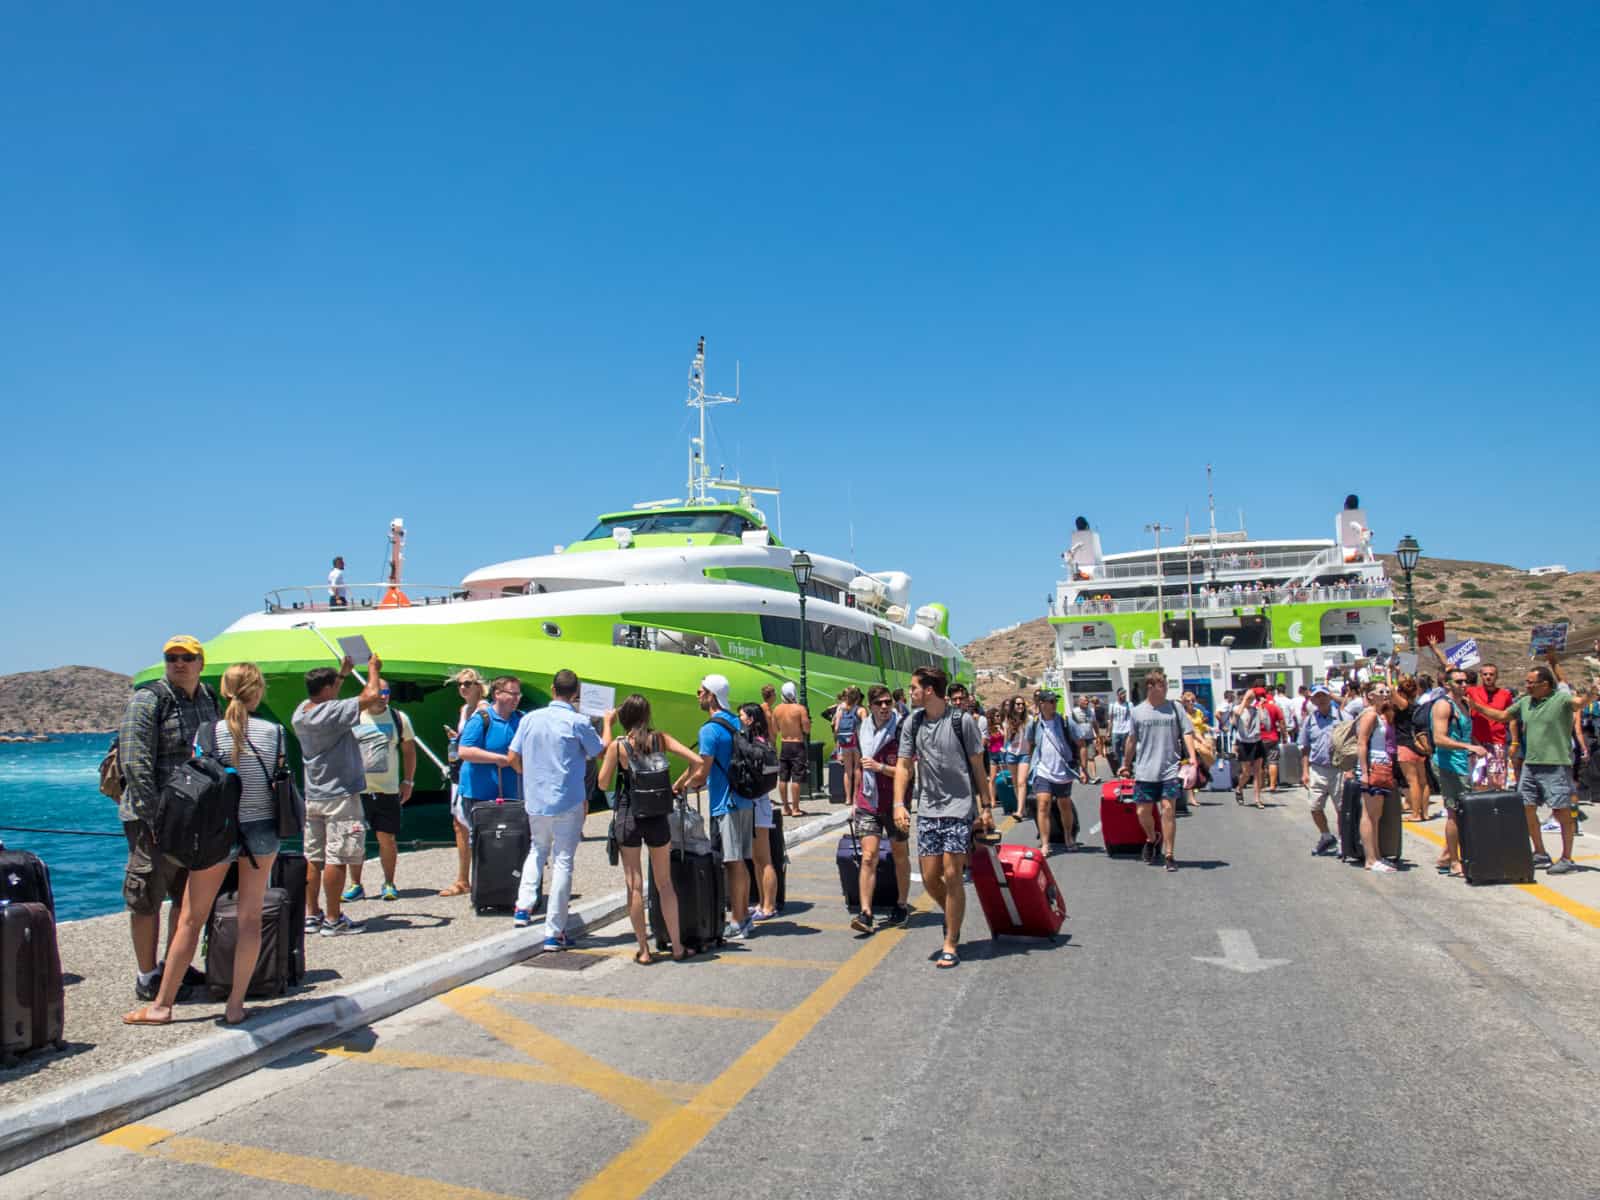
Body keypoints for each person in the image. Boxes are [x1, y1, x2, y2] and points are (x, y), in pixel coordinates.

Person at [124, 662, 283, 1027]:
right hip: (261, 831)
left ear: (224, 692)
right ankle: (236, 1006)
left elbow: (199, 779)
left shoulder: (207, 733)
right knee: (250, 919)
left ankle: (162, 1006)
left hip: (218, 832)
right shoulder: (274, 732)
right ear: (258, 692)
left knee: (190, 920)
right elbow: (275, 778)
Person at [115, 635, 220, 1003]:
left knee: (185, 897)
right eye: (171, 657)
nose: (179, 663)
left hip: (195, 817)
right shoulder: (148, 700)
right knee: (146, 894)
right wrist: (153, 817)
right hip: (152, 820)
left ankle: (176, 965)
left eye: (186, 657)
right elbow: (135, 762)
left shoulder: (209, 699)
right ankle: (147, 975)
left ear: (200, 663)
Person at [893, 666, 991, 968]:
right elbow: (904, 766)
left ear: (930, 690)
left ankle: (951, 941)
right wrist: (899, 803)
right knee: (929, 878)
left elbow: (978, 767)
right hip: (928, 810)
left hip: (959, 808)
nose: (911, 693)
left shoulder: (963, 722)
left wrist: (986, 806)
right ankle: (952, 913)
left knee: (951, 874)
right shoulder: (913, 723)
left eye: (914, 688)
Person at [595, 693, 702, 963]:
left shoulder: (618, 747)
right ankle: (677, 947)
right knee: (664, 884)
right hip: (657, 816)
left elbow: (602, 784)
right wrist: (679, 785)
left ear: (624, 718)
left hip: (629, 816)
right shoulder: (661, 740)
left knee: (634, 885)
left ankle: (644, 950)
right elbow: (697, 762)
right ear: (647, 715)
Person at [506, 669, 607, 946]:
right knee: (563, 861)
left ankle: (523, 907)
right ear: (576, 693)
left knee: (537, 849)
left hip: (535, 799)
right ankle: (553, 931)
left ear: (552, 689)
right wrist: (609, 723)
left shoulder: (529, 719)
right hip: (568, 800)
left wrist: (528, 777)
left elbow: (512, 756)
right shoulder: (578, 721)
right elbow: (600, 751)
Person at [1467, 655, 1588, 874]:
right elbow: (1503, 715)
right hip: (1531, 765)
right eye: (1526, 682)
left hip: (1556, 765)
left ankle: (1567, 858)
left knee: (1561, 812)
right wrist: (1477, 707)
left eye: (1531, 682)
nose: (1527, 685)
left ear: (1545, 684)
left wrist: (1593, 693)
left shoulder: (1560, 699)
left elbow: (1580, 703)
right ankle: (1540, 852)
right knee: (1526, 808)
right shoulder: (1524, 702)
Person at [293, 656, 384, 934]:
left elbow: (332, 700)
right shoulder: (332, 712)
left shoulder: (302, 712)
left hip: (314, 794)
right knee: (339, 857)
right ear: (329, 688)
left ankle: (312, 915)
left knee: (314, 857)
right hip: (341, 796)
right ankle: (334, 919)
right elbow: (371, 695)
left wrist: (341, 675)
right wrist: (372, 669)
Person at [689, 674, 757, 941]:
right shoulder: (735, 721)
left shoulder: (709, 730)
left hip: (725, 802)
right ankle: (745, 916)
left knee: (733, 862)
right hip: (744, 798)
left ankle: (738, 920)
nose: (697, 695)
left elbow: (703, 771)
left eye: (700, 691)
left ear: (711, 695)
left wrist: (683, 786)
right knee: (741, 861)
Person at [345, 678, 415, 903]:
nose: (384, 695)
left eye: (387, 691)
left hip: (387, 789)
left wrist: (408, 781)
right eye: (379, 691)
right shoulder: (354, 717)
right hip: (358, 790)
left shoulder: (398, 718)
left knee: (387, 838)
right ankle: (356, 885)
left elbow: (409, 751)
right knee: (355, 838)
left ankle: (389, 882)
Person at [1119, 668, 1194, 872]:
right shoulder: (1137, 711)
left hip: (1169, 769)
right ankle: (1152, 838)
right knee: (1142, 811)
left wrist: (1193, 759)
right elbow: (1132, 740)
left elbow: (1187, 733)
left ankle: (1169, 854)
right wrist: (1125, 764)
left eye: (1166, 685)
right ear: (1151, 687)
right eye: (1163, 686)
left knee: (1168, 809)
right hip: (1144, 770)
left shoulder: (1175, 708)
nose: (1166, 689)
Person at [849, 685, 909, 934]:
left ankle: (902, 905)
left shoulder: (902, 729)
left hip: (895, 803)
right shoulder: (860, 730)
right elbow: (858, 768)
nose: (884, 707)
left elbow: (908, 772)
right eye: (879, 703)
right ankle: (866, 913)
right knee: (868, 856)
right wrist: (854, 799)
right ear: (871, 706)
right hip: (868, 802)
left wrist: (880, 767)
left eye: (887, 703)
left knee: (899, 854)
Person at [439, 668, 490, 897]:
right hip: (460, 771)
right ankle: (463, 878)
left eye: (468, 683)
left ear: (479, 685)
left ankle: (482, 877)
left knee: (479, 825)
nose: (462, 687)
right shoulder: (464, 710)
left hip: (477, 772)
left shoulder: (485, 710)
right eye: (460, 684)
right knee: (459, 824)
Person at [1431, 668, 1485, 876]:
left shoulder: (1463, 705)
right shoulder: (1444, 706)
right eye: (1459, 682)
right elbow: (1439, 738)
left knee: (1461, 812)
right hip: (1449, 764)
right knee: (1455, 813)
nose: (1464, 685)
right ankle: (1454, 861)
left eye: (1466, 682)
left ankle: (1446, 856)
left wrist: (1476, 746)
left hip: (1462, 763)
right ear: (1447, 684)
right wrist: (1468, 748)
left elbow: (1464, 734)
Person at [739, 703, 782, 922]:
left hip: (758, 804)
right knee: (757, 859)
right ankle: (763, 902)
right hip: (760, 802)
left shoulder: (755, 744)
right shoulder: (764, 742)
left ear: (751, 719)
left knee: (764, 859)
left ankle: (769, 906)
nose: (740, 720)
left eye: (742, 717)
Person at [1025, 690, 1082, 854]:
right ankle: (1045, 843)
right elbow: (1030, 744)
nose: (1053, 704)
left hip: (1063, 770)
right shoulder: (1034, 724)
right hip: (1043, 770)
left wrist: (1083, 767)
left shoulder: (1065, 721)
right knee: (1042, 804)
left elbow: (1080, 742)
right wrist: (1030, 765)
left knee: (1064, 805)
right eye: (1050, 701)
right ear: (1041, 704)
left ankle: (1068, 836)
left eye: (1054, 701)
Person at [1354, 680, 1400, 874]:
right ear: (1371, 695)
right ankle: (1370, 859)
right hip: (1372, 767)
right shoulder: (1370, 715)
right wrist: (1364, 772)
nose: (1386, 693)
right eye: (1381, 691)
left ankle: (1378, 856)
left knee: (1377, 815)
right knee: (1369, 814)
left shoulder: (1382, 715)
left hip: (1383, 766)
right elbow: (1362, 743)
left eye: (1387, 690)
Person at [1299, 685, 1343, 856]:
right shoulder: (1310, 721)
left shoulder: (1341, 717)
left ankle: (1342, 841)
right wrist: (1305, 771)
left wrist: (1349, 770)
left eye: (1324, 696)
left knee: (1341, 808)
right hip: (1317, 768)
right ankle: (1326, 836)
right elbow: (1305, 747)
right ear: (1313, 700)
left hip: (1338, 769)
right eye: (1317, 697)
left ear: (1329, 697)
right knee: (1315, 806)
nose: (1321, 699)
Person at [1466, 663, 1514, 791]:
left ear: (1496, 676)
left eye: (1491, 674)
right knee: (1479, 781)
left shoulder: (1505, 695)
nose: (1488, 677)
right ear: (1481, 676)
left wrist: (1514, 742)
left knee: (1497, 781)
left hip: (1497, 742)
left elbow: (1511, 718)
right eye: (1485, 674)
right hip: (1478, 743)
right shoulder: (1472, 691)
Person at [1393, 676, 1431, 823]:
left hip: (1405, 745)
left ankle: (1415, 813)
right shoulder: (1418, 706)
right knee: (1423, 781)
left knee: (1412, 781)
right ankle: (1424, 812)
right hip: (1419, 746)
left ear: (1402, 692)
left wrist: (1392, 674)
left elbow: (1390, 690)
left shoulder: (1403, 705)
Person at [772, 681, 812, 819]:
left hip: (784, 744)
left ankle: (786, 807)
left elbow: (775, 729)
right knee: (796, 777)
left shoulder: (777, 709)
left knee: (783, 777)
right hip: (797, 744)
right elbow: (807, 729)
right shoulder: (800, 709)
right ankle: (795, 808)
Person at [833, 686, 867, 828]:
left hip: (844, 742)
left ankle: (847, 798)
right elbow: (866, 727)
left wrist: (837, 746)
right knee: (857, 769)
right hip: (857, 741)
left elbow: (835, 728)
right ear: (858, 697)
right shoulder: (861, 710)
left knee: (847, 771)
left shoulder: (841, 709)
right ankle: (855, 798)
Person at [1233, 690, 1265, 807]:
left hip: (1256, 742)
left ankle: (1257, 799)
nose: (1249, 700)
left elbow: (1264, 721)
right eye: (1248, 698)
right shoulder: (1237, 708)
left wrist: (1260, 706)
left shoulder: (1255, 709)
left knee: (1258, 772)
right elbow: (1236, 716)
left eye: (1251, 698)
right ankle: (1239, 788)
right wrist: (1245, 699)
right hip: (1243, 743)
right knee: (1246, 773)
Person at [1259, 687, 1284, 791]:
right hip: (1273, 737)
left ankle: (1261, 785)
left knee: (1260, 763)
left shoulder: (1257, 707)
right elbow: (1282, 722)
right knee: (1273, 761)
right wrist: (1285, 736)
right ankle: (1272, 785)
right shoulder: (1275, 707)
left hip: (1259, 738)